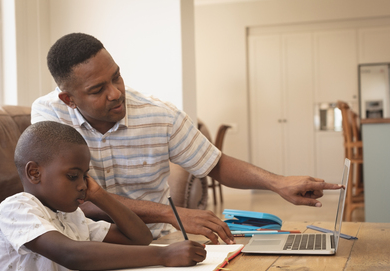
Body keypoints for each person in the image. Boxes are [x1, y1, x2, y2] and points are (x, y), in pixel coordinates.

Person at [31, 32, 342, 245]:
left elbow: (214, 163)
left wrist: (278, 183)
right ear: (69, 99)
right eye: (98, 90)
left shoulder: (159, 115)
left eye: (117, 77)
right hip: (81, 238)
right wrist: (172, 213)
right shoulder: (49, 115)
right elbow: (74, 197)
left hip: (151, 238)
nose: (116, 93)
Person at [0, 121, 206, 271]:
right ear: (34, 173)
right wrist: (163, 255)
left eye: (85, 176)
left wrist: (100, 195)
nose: (82, 185)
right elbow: (71, 254)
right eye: (72, 176)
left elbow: (140, 238)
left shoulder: (71, 215)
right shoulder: (16, 208)